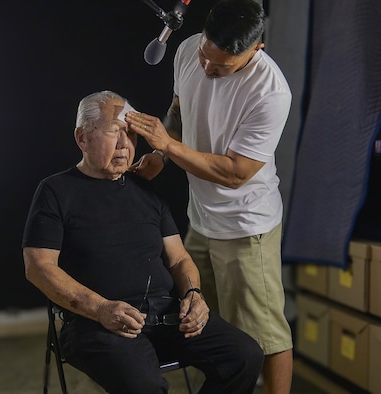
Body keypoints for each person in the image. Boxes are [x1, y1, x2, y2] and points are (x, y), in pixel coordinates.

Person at [22, 90, 264, 394]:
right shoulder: (56, 191)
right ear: (82, 138)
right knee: (145, 387)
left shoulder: (145, 190)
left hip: (167, 315)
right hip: (96, 323)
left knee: (245, 356)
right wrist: (100, 308)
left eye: (131, 134)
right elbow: (39, 268)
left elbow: (178, 259)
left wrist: (193, 294)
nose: (126, 145)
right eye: (114, 133)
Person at [124, 1, 293, 392]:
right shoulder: (188, 51)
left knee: (265, 336)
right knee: (204, 324)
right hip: (201, 220)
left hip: (246, 226)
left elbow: (234, 174)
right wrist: (160, 155)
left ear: (256, 50)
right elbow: (179, 114)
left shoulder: (270, 92)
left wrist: (167, 145)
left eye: (221, 67)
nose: (207, 69)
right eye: (205, 56)